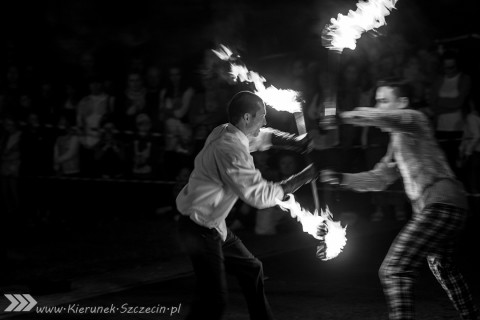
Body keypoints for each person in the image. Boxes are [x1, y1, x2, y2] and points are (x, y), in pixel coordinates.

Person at [319, 78, 478, 320]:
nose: (378, 107)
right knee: (442, 267)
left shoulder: (415, 120)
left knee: (394, 270)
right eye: (376, 102)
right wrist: (342, 178)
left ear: (402, 103)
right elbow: (379, 178)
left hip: (441, 205)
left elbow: (386, 118)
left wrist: (343, 116)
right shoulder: (396, 141)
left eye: (384, 101)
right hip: (446, 206)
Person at [176, 91, 325, 320]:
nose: (265, 121)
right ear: (247, 118)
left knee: (252, 268)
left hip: (213, 225)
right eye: (262, 116)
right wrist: (302, 178)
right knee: (213, 302)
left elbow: (261, 138)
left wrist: (295, 143)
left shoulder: (226, 131)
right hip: (200, 229)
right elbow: (259, 196)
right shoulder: (230, 149)